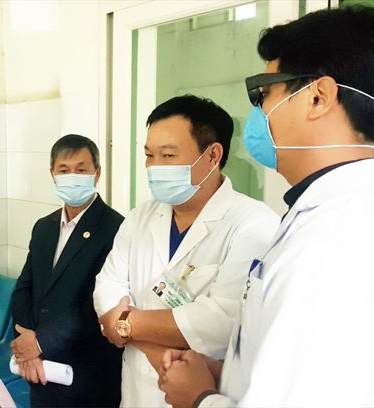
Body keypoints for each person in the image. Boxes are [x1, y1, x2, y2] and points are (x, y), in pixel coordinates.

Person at [158, 5, 374, 408]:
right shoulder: (327, 215)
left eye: (265, 92)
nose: (257, 113)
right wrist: (230, 374)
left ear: (317, 97)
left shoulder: (331, 248)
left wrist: (199, 398)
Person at [93, 95, 279, 407]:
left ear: (212, 156)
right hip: (135, 394)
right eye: (149, 155)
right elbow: (107, 287)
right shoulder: (140, 217)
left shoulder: (253, 225)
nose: (154, 167)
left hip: (199, 396)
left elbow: (221, 322)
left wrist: (126, 324)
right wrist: (135, 322)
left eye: (168, 156)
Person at [10, 134, 124, 407]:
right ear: (52, 174)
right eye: (64, 170)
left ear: (97, 174)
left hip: (86, 375)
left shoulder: (116, 228)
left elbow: (98, 305)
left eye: (81, 169)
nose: (72, 176)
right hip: (41, 372)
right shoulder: (44, 227)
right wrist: (28, 348)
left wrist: (39, 344)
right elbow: (25, 288)